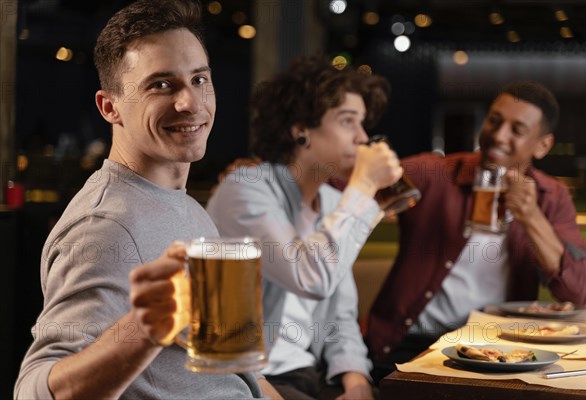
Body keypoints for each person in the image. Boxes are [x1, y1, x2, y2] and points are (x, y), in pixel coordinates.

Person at [14, 1, 280, 398]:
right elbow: (32, 392)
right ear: (110, 107)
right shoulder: (105, 225)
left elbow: (242, 375)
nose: (191, 102)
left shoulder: (187, 208)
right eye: (161, 84)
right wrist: (143, 331)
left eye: (200, 79)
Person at [366, 81, 586, 380]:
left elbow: (578, 292)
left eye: (517, 130)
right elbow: (348, 186)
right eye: (494, 121)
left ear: (543, 145)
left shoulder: (551, 197)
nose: (498, 135)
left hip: (498, 354)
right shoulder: (435, 174)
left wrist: (530, 216)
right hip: (407, 347)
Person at [206, 56, 402, 399]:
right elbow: (310, 275)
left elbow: (341, 315)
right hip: (253, 378)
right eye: (347, 122)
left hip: (310, 373)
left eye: (362, 124)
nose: (362, 138)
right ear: (301, 129)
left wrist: (357, 381)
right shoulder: (245, 189)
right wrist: (364, 187)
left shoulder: (331, 202)